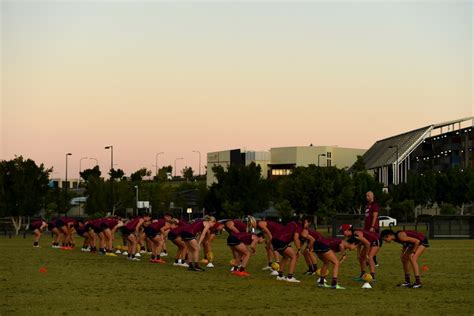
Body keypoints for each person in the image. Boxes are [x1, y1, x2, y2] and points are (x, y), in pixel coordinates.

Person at [270, 217, 312, 283]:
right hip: (281, 241)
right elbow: (296, 238)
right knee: (294, 257)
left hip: (274, 240)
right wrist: (299, 249)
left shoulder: (293, 223)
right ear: (306, 222)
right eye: (308, 224)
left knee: (285, 257)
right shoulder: (299, 226)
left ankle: (280, 276)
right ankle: (290, 277)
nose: (307, 227)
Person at [364, 191, 380, 266]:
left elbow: (375, 216)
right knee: (368, 244)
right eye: (366, 196)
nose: (367, 197)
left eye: (368, 196)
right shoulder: (367, 205)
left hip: (372, 228)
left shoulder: (374, 205)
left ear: (372, 196)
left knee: (374, 244)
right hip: (367, 228)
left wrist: (372, 226)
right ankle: (368, 259)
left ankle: (373, 260)